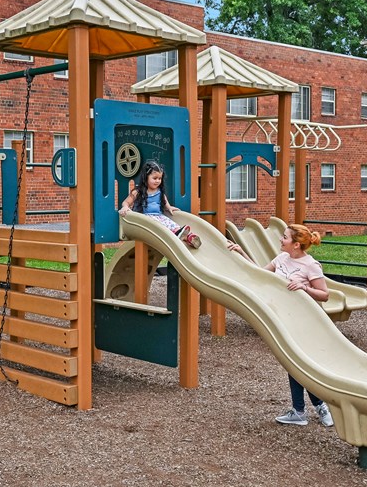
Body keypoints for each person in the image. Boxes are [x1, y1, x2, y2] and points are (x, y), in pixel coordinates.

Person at [227, 224, 334, 427]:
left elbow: (325, 295)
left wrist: (304, 287)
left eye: (284, 237)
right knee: (293, 363)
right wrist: (240, 251)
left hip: (303, 320)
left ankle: (312, 408)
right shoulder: (282, 258)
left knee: (300, 363)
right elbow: (259, 274)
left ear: (295, 244)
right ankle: (305, 410)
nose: (280, 240)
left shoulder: (310, 265)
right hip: (283, 317)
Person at [118, 160, 201, 248]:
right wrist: (125, 207)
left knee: (170, 223)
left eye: (159, 178)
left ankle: (188, 237)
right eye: (154, 178)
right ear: (146, 177)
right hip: (145, 219)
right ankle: (176, 234)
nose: (157, 181)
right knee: (161, 226)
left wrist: (168, 207)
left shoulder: (159, 191)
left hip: (159, 216)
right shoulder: (138, 192)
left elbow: (164, 200)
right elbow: (126, 202)